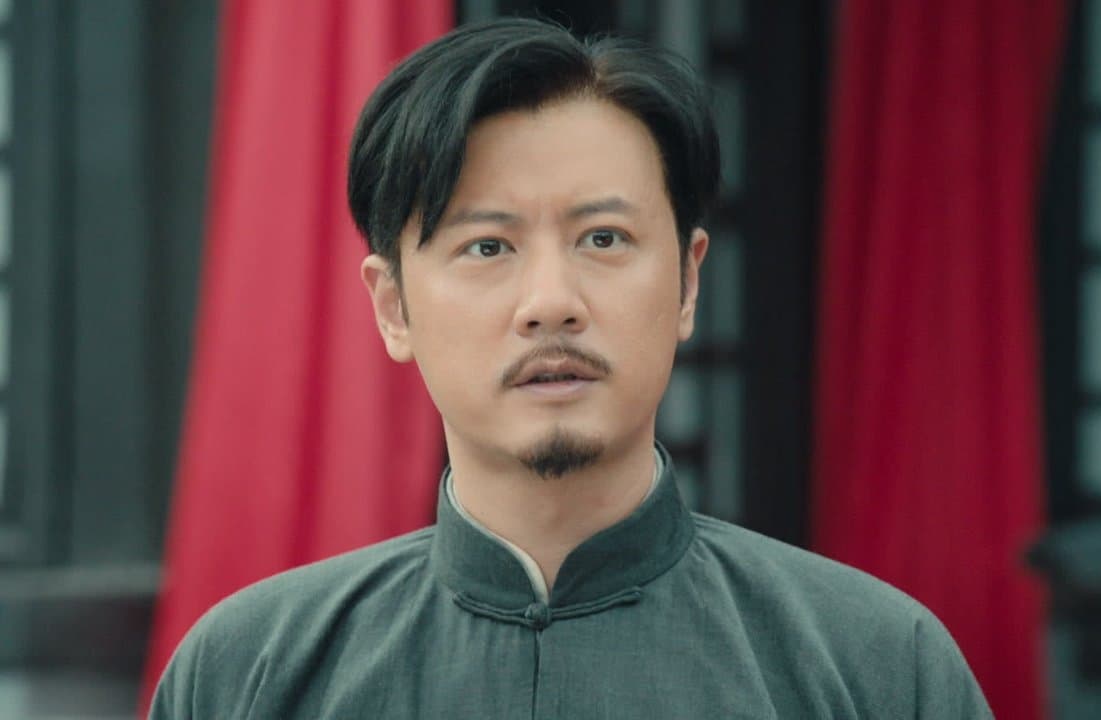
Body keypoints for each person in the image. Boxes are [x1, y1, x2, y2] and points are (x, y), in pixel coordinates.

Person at [149, 17, 991, 719]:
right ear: (394, 307)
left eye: (603, 238)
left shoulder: (876, 666)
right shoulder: (249, 672)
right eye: (488, 246)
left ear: (688, 282)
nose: (551, 302)